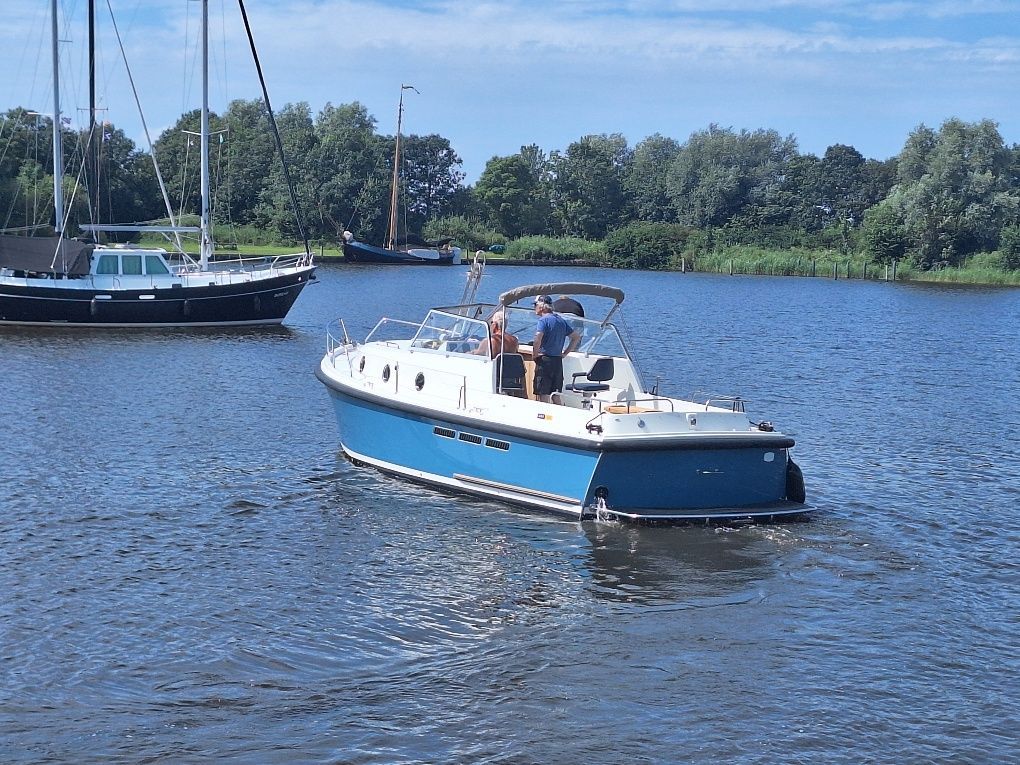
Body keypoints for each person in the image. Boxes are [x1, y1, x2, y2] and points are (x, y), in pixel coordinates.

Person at [531, 294, 579, 403]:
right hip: (557, 362)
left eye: (535, 305)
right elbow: (576, 337)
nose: (534, 308)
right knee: (555, 395)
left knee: (543, 394)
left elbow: (537, 339)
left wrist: (535, 355)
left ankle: (544, 413)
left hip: (545, 361)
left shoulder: (543, 321)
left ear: (541, 307)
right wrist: (564, 353)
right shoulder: (561, 320)